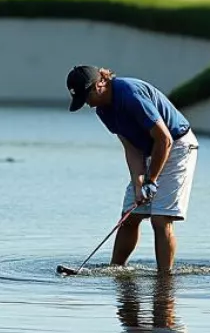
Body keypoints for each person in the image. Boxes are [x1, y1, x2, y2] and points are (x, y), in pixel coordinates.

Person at [66, 64, 199, 274]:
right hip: (150, 150)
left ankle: (164, 279)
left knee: (160, 219)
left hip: (177, 146)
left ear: (100, 83)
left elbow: (164, 139)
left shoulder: (130, 94)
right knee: (130, 216)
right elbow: (131, 147)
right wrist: (138, 182)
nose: (88, 104)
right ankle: (116, 271)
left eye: (87, 96)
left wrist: (151, 180)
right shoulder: (103, 110)